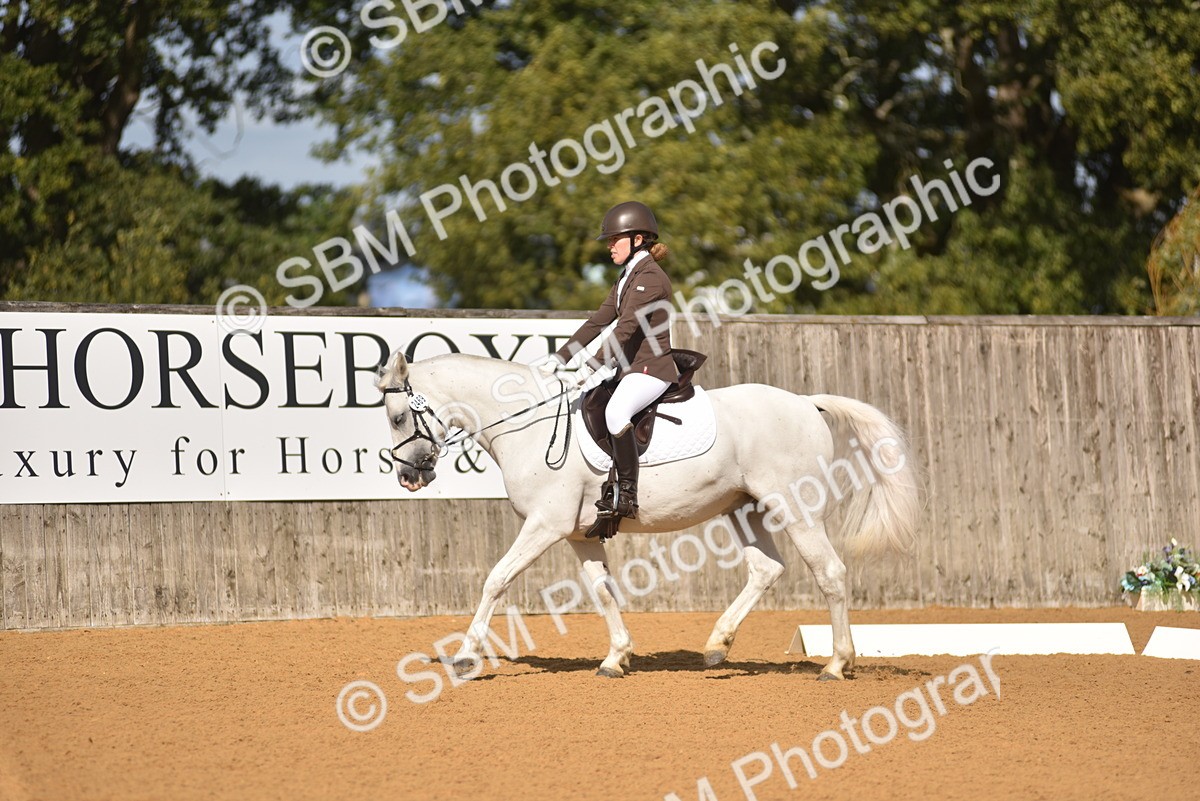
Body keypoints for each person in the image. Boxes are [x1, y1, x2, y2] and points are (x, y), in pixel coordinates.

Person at [538, 201, 679, 534]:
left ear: (639, 239)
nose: (609, 245)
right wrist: (559, 358)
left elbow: (625, 327)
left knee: (616, 413)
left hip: (651, 370)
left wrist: (591, 365)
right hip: (629, 372)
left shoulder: (651, 279)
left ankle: (627, 494)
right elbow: (598, 320)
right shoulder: (628, 276)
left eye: (615, 238)